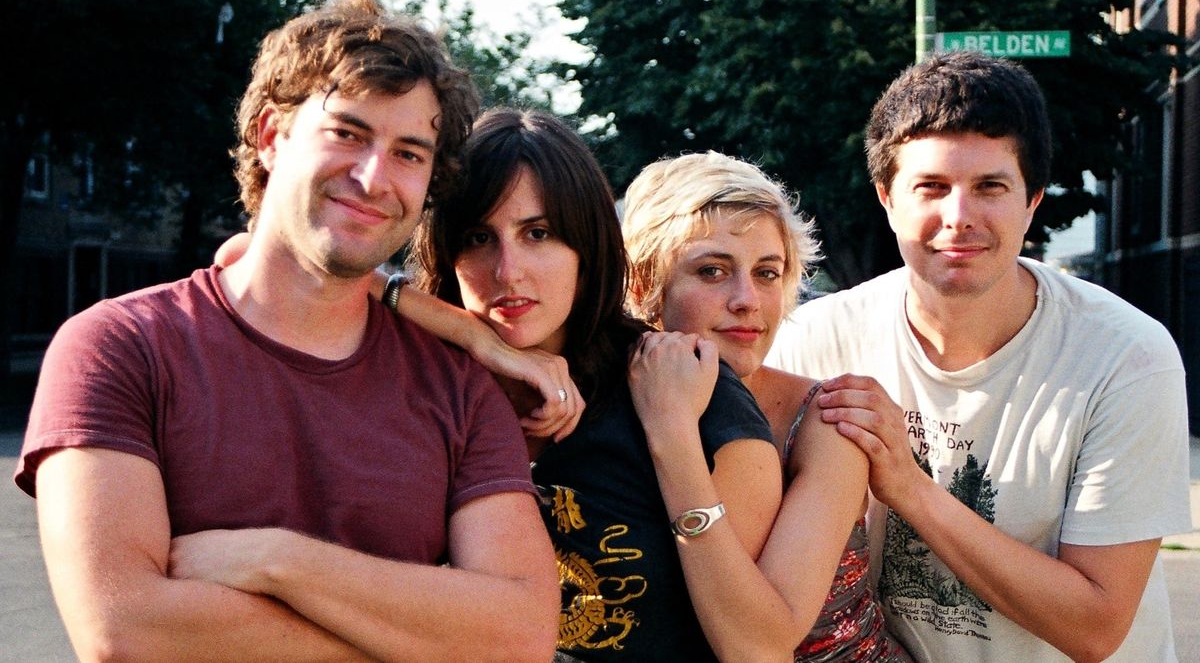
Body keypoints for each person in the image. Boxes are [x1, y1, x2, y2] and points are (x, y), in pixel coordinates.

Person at [13, 0, 559, 661]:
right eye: (348, 133)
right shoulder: (120, 347)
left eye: (410, 153)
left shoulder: (460, 386)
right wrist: (423, 637)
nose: (373, 176)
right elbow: (125, 628)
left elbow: (520, 636)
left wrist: (278, 560)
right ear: (273, 136)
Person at [767, 51, 1192, 662]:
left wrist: (906, 486)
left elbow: (1096, 627)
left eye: (990, 187)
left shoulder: (1126, 356)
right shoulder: (814, 340)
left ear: (1033, 200)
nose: (959, 217)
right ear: (887, 198)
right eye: (931, 187)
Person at [405, 107, 783, 661]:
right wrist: (475, 339)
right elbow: (276, 259)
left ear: (589, 246)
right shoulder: (419, 385)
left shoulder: (694, 395)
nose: (508, 271)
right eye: (478, 237)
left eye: (539, 233)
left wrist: (670, 437)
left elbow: (753, 649)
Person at [621, 151, 911, 662]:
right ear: (644, 283)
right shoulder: (595, 412)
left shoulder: (827, 421)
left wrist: (673, 437)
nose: (747, 300)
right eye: (712, 271)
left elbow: (755, 647)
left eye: (768, 273)